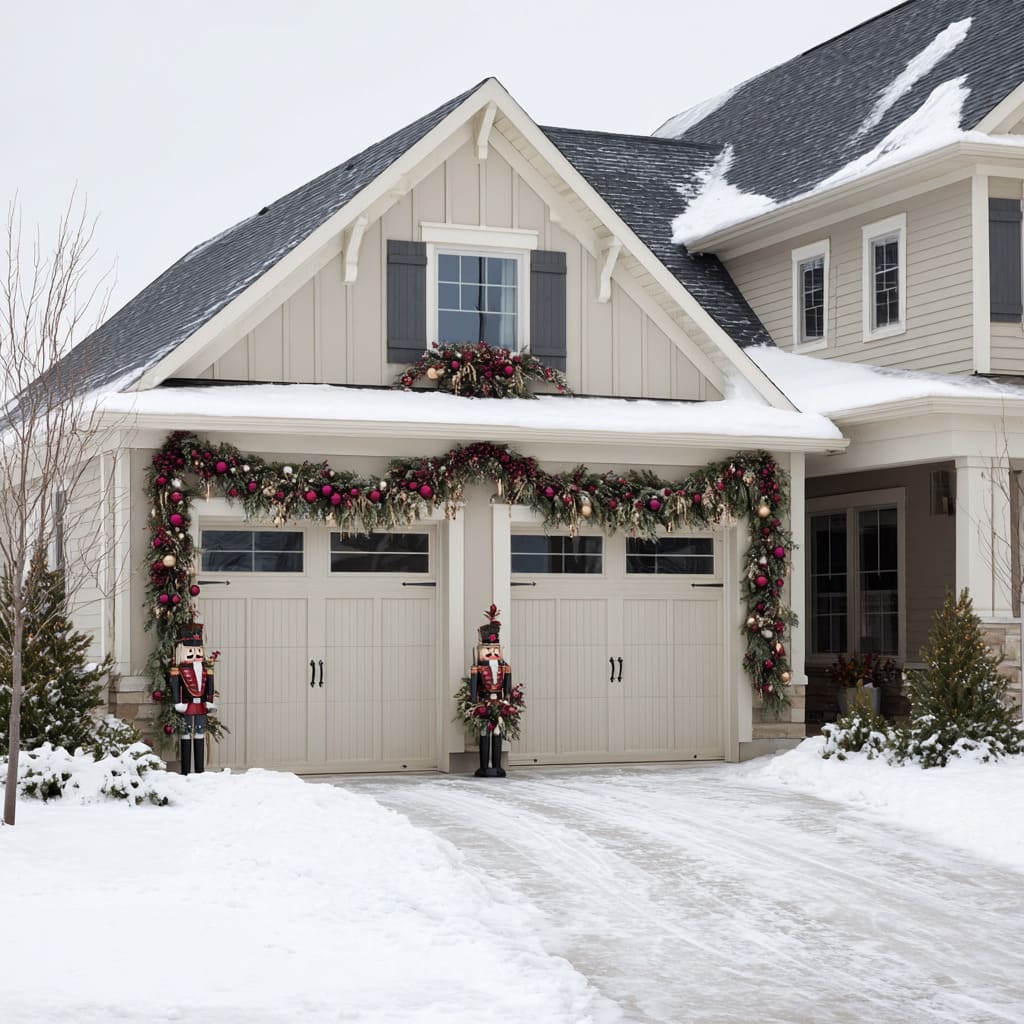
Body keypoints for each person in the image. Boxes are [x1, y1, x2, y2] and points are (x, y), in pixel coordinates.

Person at [169, 622, 216, 774]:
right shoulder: (179, 670)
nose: (195, 654)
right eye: (190, 650)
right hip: (187, 705)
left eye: (198, 650)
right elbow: (176, 686)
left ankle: (200, 770)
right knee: (186, 733)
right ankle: (186, 771)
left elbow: (209, 686)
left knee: (200, 732)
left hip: (201, 705)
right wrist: (178, 702)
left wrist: (209, 700)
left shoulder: (205, 669)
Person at [470, 606, 511, 777]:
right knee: (484, 734)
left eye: (495, 650)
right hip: (483, 702)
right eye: (488, 650)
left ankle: (497, 765)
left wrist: (508, 700)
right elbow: (474, 686)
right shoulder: (477, 668)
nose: (492, 654)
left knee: (497, 734)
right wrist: (474, 702)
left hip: (499, 703)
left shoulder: (505, 667)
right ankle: (483, 766)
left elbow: (507, 685)